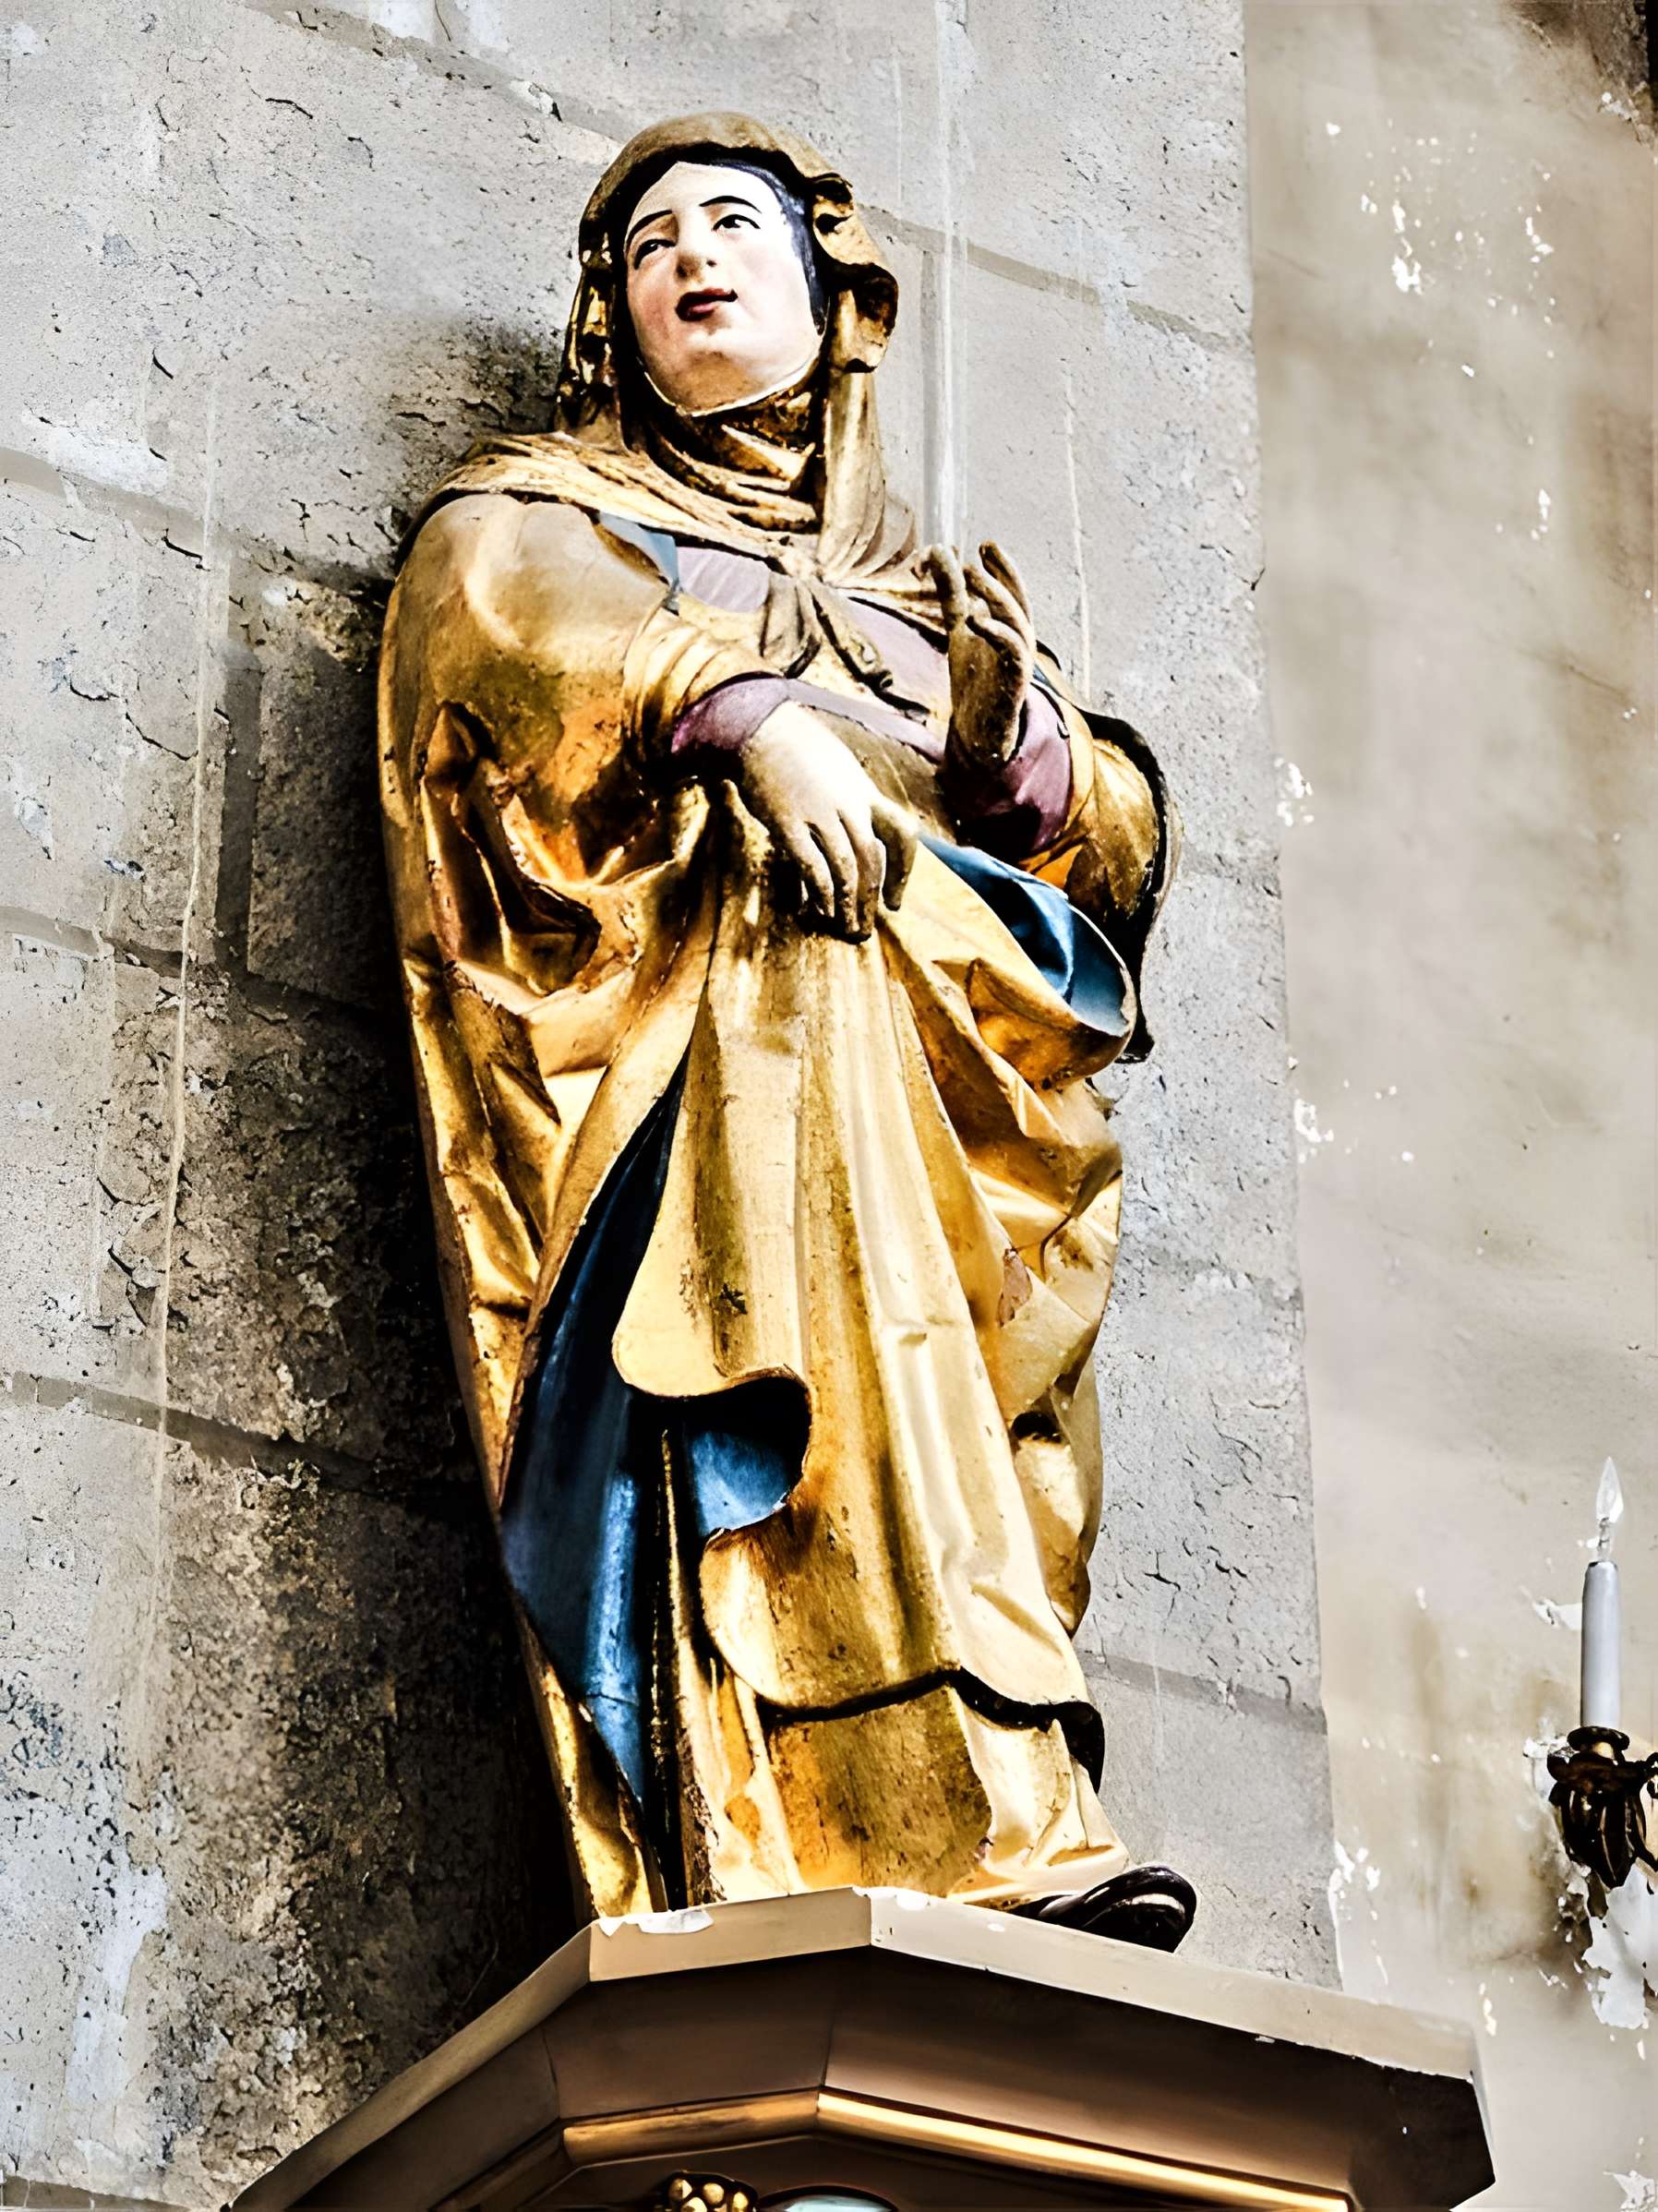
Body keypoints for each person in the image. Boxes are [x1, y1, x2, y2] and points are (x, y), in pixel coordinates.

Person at [380, 113, 1192, 1945]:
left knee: (931, 1423)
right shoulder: (549, 519)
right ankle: (854, 1836)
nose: (696, 260)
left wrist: (1023, 760)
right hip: (705, 1156)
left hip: (943, 1165)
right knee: (800, 950)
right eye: (651, 245)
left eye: (735, 226)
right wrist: (735, 706)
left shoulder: (913, 592)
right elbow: (495, 626)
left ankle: (992, 1801)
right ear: (615, 323)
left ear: (835, 294)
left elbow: (1099, 866)